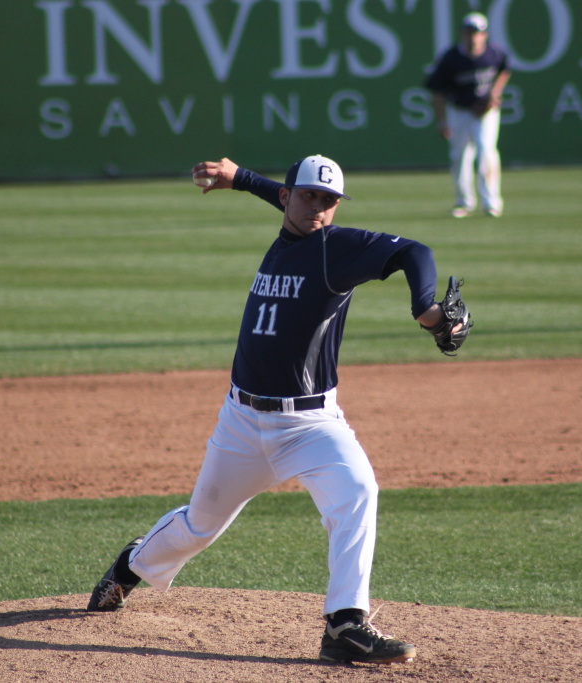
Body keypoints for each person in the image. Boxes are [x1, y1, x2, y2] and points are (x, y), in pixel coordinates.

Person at [86, 154, 467, 666]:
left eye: (329, 200)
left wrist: (426, 308)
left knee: (357, 491)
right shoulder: (293, 229)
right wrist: (241, 179)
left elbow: (414, 252)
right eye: (309, 195)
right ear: (288, 196)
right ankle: (130, 567)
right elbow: (288, 201)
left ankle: (345, 623)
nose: (319, 207)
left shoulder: (337, 248)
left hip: (310, 424)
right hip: (240, 422)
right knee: (201, 525)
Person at [425, 11, 511, 218]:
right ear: (463, 34)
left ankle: (492, 203)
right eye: (470, 32)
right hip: (460, 110)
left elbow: (505, 70)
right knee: (460, 156)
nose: (474, 36)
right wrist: (442, 121)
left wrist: (494, 93)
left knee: (487, 152)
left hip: (486, 112)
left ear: (485, 34)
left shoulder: (494, 53)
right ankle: (464, 202)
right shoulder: (452, 58)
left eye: (478, 32)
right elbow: (437, 91)